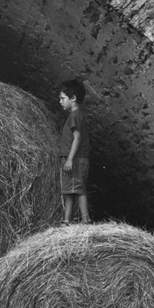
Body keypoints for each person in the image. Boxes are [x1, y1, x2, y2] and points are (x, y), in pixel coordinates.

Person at [58, 78, 92, 225]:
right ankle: (67, 220)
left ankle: (86, 220)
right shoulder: (75, 116)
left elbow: (77, 138)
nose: (60, 101)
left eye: (62, 98)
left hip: (75, 159)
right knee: (69, 190)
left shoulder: (75, 116)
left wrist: (70, 159)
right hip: (71, 158)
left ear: (73, 98)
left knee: (78, 189)